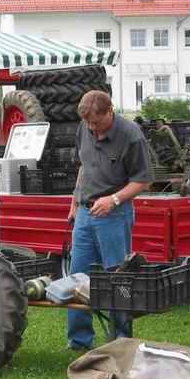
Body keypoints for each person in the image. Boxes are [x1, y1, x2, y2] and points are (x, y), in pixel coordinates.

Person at [66, 90, 153, 351]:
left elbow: (143, 181)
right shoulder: (84, 128)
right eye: (88, 123)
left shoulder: (132, 136)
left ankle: (121, 341)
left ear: (110, 111)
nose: (92, 128)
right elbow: (84, 167)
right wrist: (74, 203)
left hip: (115, 215)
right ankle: (79, 340)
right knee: (78, 278)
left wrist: (113, 200)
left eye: (96, 122)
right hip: (85, 214)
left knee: (119, 279)